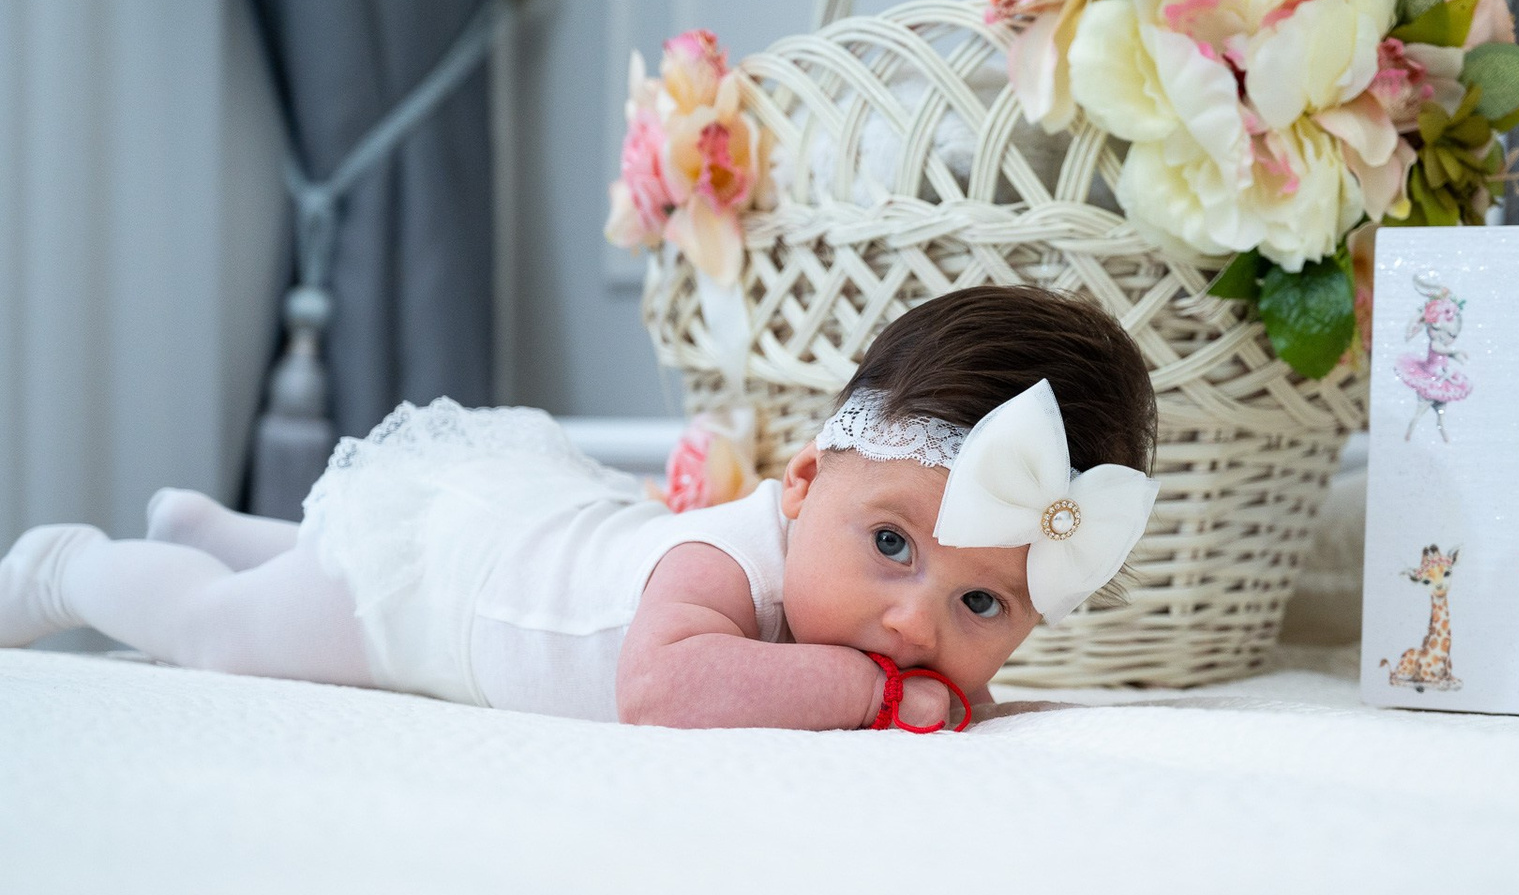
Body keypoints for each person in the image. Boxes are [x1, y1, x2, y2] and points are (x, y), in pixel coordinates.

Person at [0, 286, 1159, 732]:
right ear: (804, 486)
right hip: (440, 596)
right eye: (893, 544)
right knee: (222, 634)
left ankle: (215, 530)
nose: (914, 626)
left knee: (297, 570)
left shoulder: (868, 604)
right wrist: (872, 695)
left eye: (981, 604)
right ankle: (70, 565)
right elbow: (659, 688)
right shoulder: (724, 569)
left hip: (530, 533)